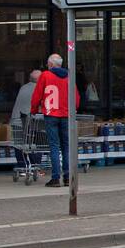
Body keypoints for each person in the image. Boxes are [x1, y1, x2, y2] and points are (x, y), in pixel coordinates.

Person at [31, 54, 79, 188]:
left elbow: (37, 95)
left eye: (48, 64)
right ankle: (68, 177)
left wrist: (34, 109)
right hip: (66, 115)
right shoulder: (69, 77)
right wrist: (72, 109)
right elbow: (76, 97)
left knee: (54, 146)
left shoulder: (45, 75)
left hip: (51, 114)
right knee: (66, 146)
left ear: (51, 64)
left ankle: (56, 178)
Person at [10, 68, 41, 134]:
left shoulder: (24, 87)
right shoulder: (39, 88)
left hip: (16, 122)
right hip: (26, 124)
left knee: (20, 143)